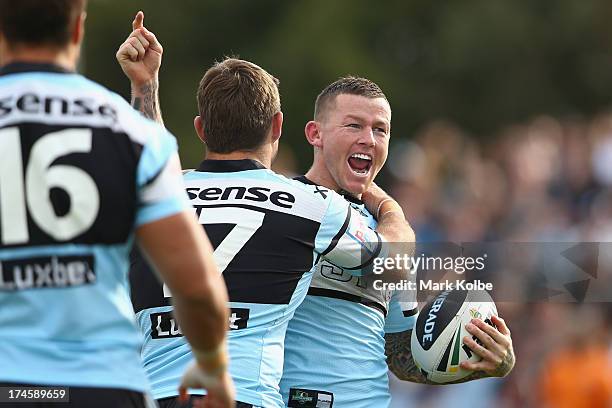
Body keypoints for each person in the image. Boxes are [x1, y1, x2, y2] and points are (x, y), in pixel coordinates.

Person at [116, 13, 413, 408]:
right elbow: (392, 260)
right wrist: (388, 204)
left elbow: (148, 157)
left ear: (201, 130)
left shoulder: (155, 195)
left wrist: (145, 84)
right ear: (277, 128)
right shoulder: (311, 207)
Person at [0, 2, 233, 407]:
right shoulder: (132, 133)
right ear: (78, 28)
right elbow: (196, 288)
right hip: (101, 384)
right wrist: (212, 365)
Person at [279, 77, 516, 407]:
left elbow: (403, 356)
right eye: (354, 126)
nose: (369, 140)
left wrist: (485, 360)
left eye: (380, 129)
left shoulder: (390, 230)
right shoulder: (285, 206)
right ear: (315, 134)